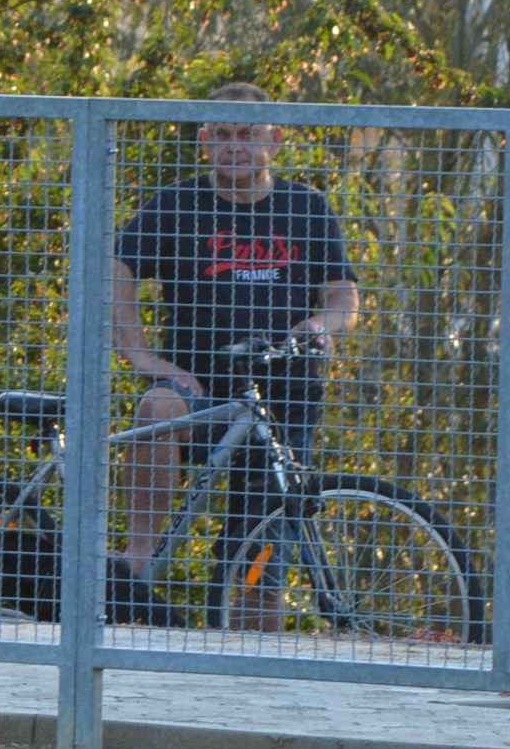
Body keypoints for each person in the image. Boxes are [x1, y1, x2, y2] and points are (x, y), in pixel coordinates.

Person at [107, 82, 361, 630]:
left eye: (247, 134)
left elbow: (344, 295)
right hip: (198, 388)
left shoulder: (306, 207)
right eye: (222, 135)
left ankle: (241, 689)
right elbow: (116, 269)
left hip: (284, 400)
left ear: (274, 138)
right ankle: (138, 562)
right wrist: (141, 354)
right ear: (204, 141)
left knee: (258, 584)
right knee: (156, 410)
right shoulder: (177, 204)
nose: (234, 147)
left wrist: (322, 324)